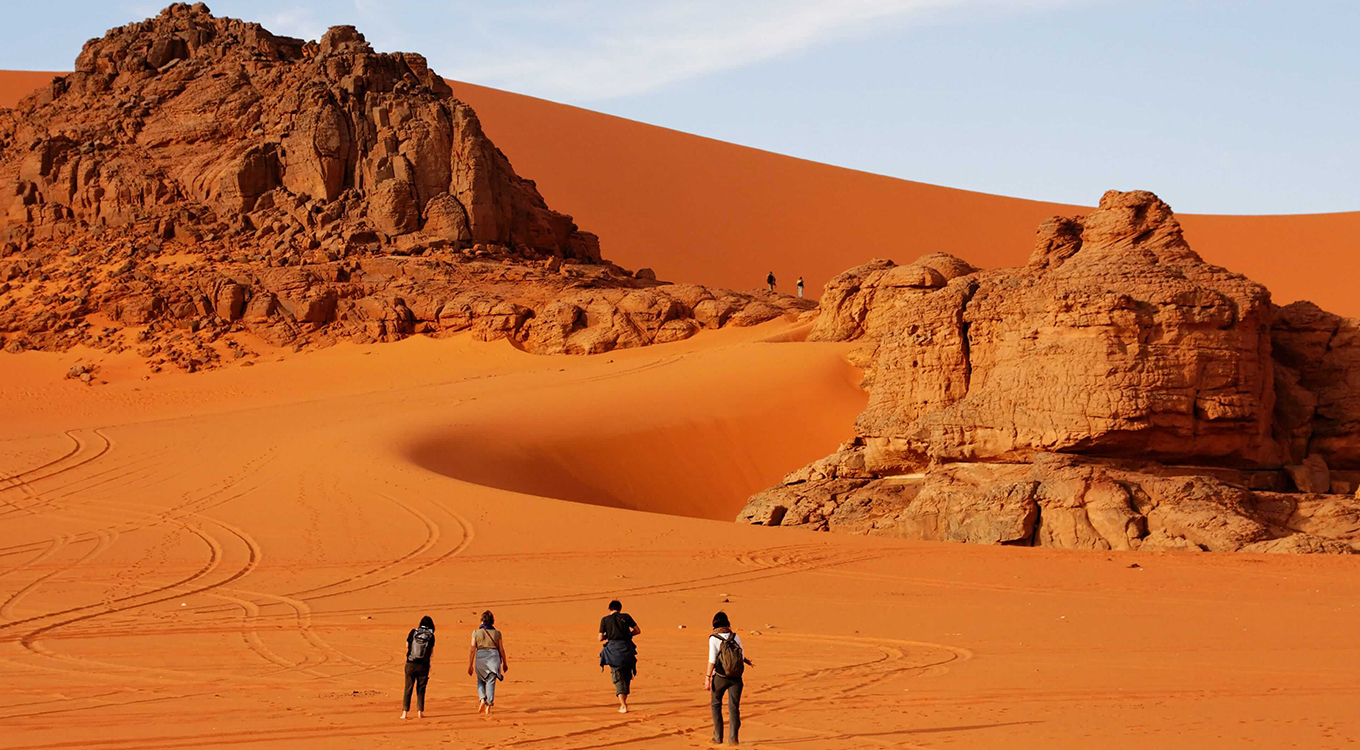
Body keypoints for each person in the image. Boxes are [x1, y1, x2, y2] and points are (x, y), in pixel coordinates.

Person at [705, 611, 753, 745]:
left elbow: (712, 660)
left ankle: (717, 737)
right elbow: (741, 655)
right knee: (734, 708)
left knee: (716, 705)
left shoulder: (714, 638)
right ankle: (733, 739)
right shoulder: (735, 636)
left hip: (720, 677)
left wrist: (707, 678)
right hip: (736, 678)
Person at [598, 599, 641, 713]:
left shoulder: (605, 620)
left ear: (609, 608)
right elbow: (637, 630)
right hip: (627, 650)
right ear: (620, 608)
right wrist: (628, 635)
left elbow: (599, 638)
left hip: (614, 652)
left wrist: (608, 636)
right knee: (626, 677)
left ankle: (623, 705)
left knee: (618, 677)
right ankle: (624, 703)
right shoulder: (626, 617)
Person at [468, 610, 508, 714]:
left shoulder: (476, 633)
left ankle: (482, 699)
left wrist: (470, 665)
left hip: (480, 659)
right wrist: (505, 663)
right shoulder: (497, 633)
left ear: (482, 621)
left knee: (480, 680)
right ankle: (488, 706)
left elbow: (472, 650)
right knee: (491, 681)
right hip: (493, 659)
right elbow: (501, 649)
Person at [400, 615, 436, 719]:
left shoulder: (413, 632)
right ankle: (420, 712)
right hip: (423, 665)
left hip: (410, 663)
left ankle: (404, 713)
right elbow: (431, 652)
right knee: (421, 689)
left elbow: (407, 645)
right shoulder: (431, 635)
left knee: (408, 688)